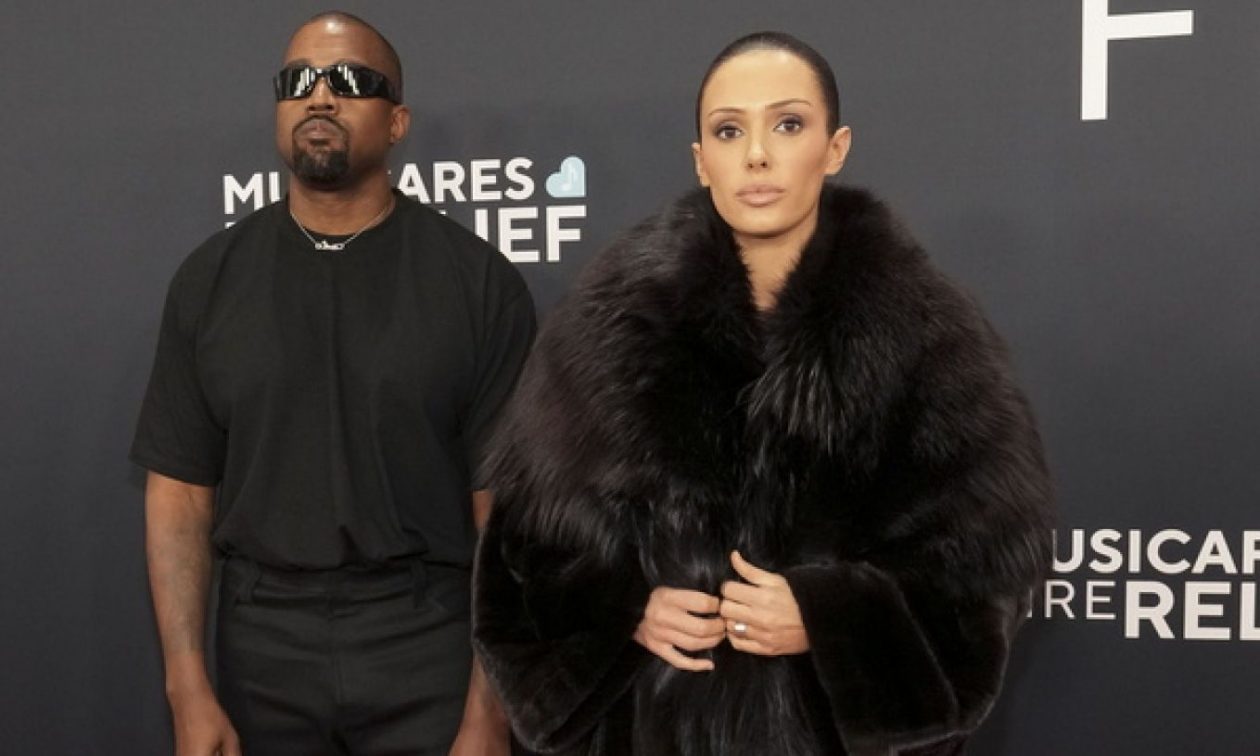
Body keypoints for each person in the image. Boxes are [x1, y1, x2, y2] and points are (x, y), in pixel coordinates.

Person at [472, 31, 1053, 756]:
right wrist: (626, 613)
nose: (756, 155)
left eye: (788, 124)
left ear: (835, 148)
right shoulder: (606, 330)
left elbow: (983, 569)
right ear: (700, 160)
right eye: (728, 131)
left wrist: (827, 618)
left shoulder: (928, 335)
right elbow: (524, 555)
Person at [131, 11, 533, 756]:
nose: (319, 96)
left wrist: (489, 709)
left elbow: (506, 516)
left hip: (426, 640)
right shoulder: (209, 281)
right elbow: (179, 496)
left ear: (397, 121)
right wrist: (185, 686)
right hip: (261, 645)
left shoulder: (477, 284)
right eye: (298, 81)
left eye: (349, 80)